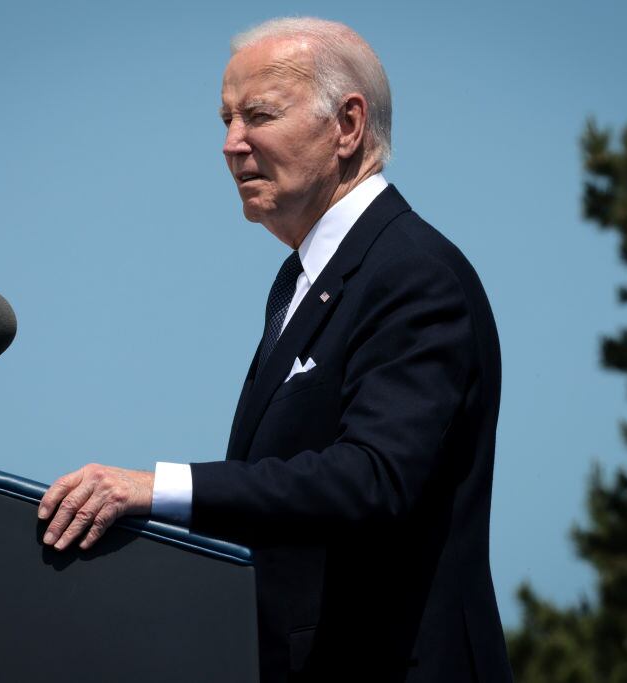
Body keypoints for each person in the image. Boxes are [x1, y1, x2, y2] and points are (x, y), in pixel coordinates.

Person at [38, 17, 513, 682]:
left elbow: (373, 478)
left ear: (348, 125)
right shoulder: (299, 280)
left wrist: (156, 488)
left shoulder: (412, 272)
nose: (233, 145)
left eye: (259, 115)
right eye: (226, 119)